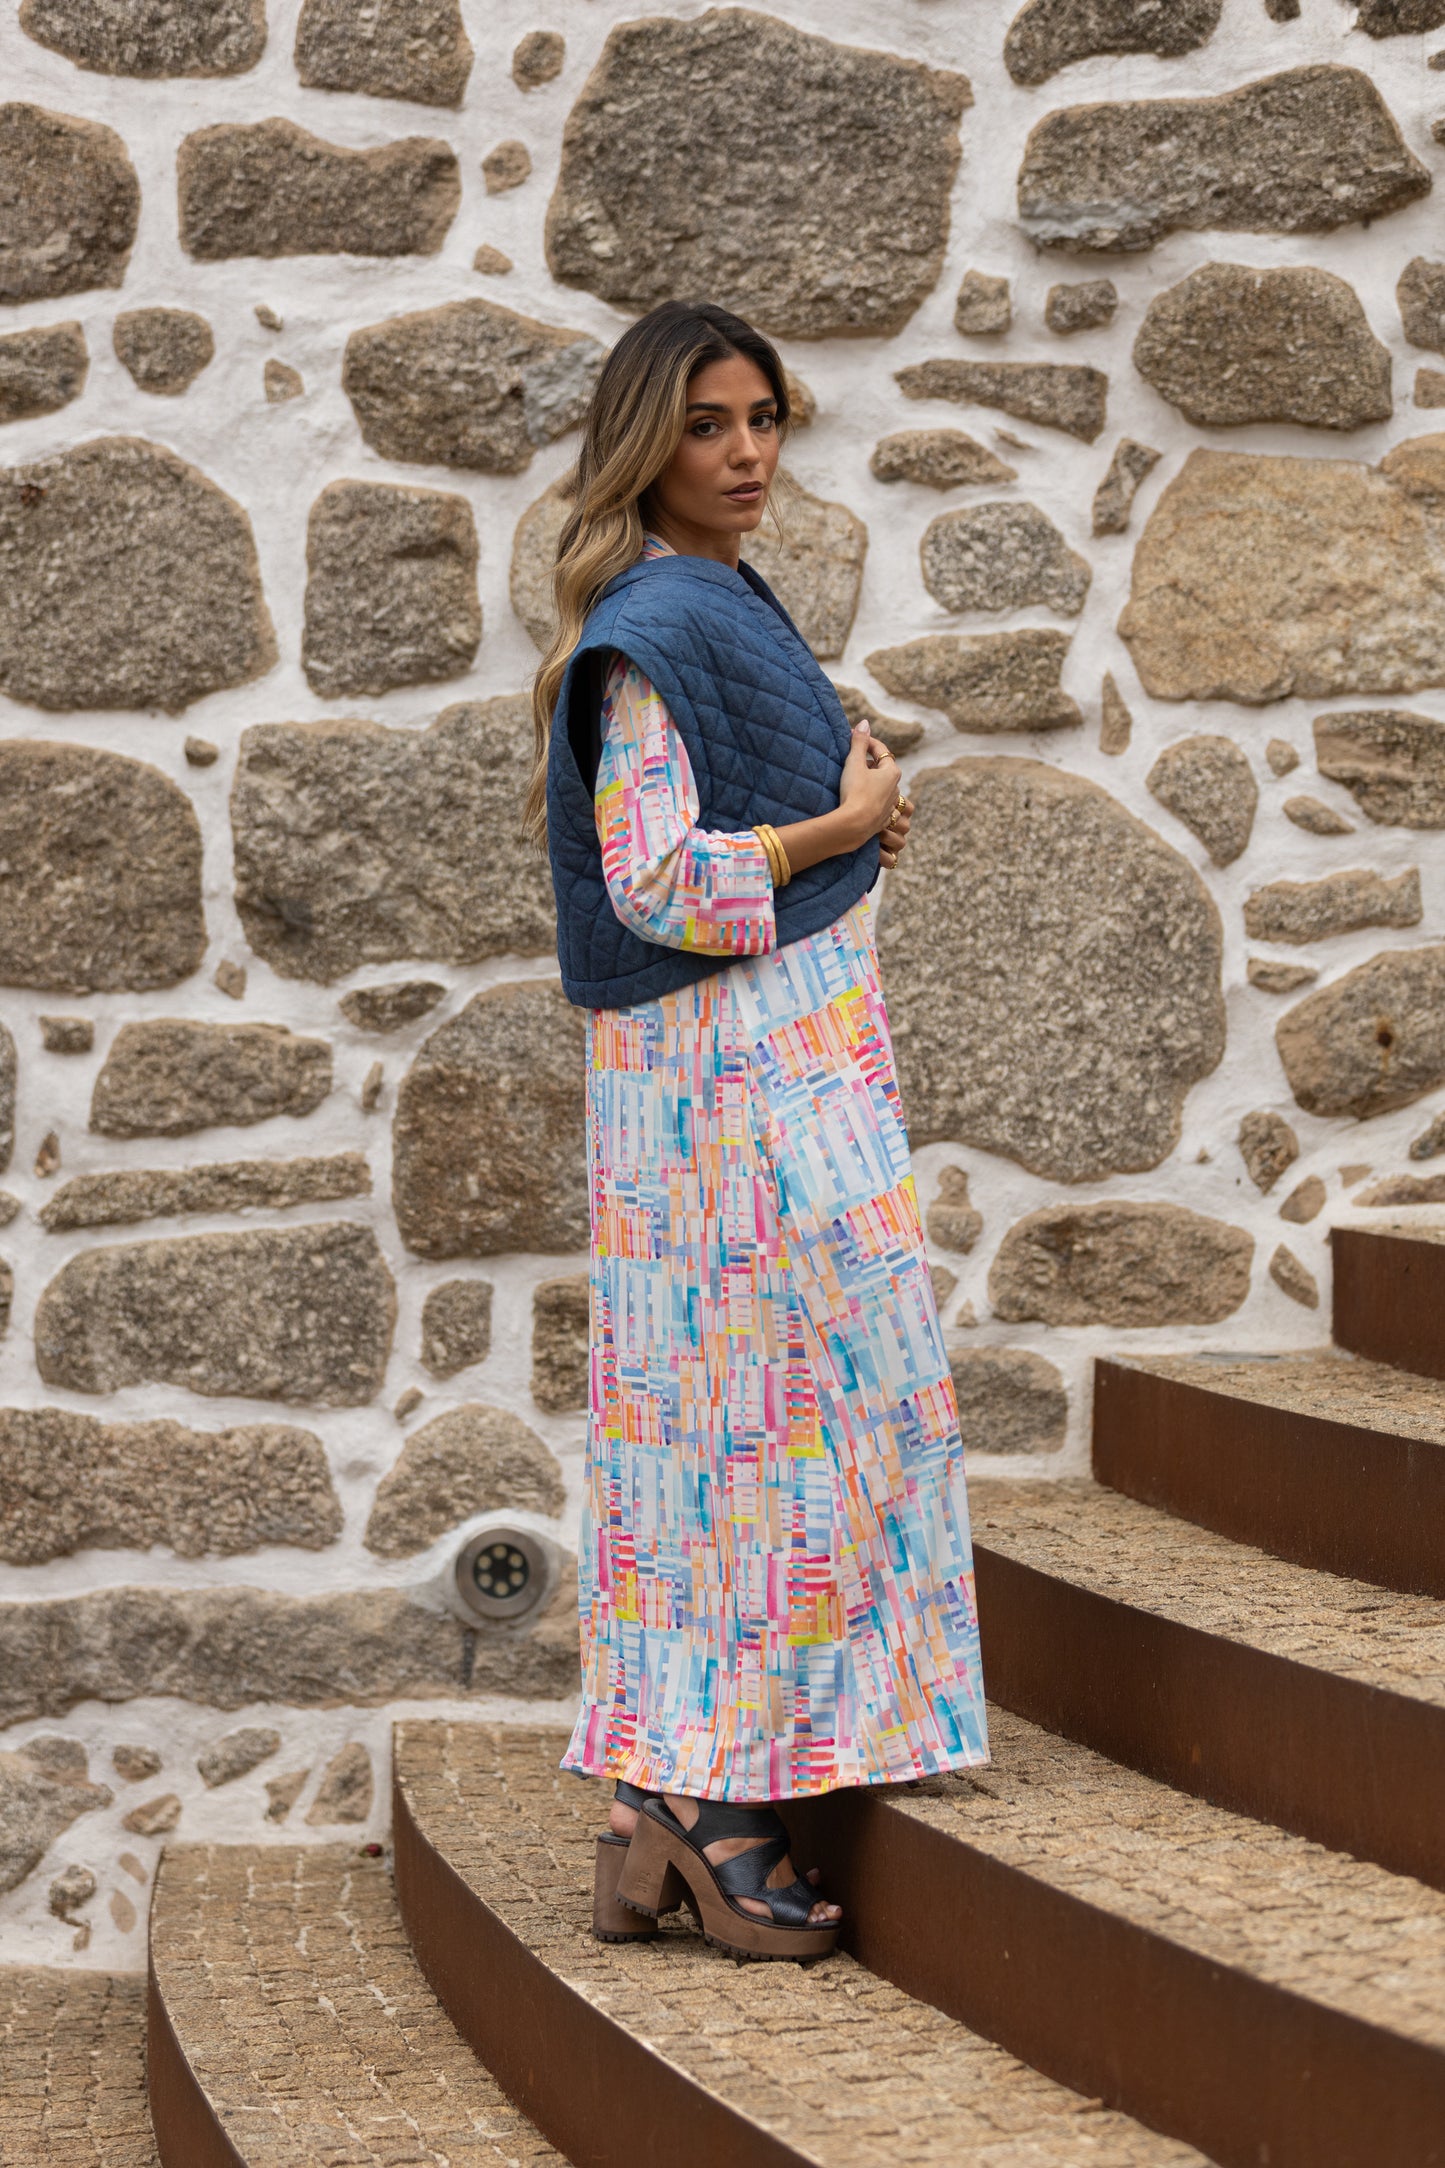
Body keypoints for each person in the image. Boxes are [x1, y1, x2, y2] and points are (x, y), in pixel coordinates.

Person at [528, 299, 988, 1963]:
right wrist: (835, 830)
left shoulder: (719, 598)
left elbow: (744, 828)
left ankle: (660, 1798)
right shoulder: (658, 621)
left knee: (760, 1423)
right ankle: (709, 1806)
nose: (744, 454)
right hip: (729, 1100)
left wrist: (846, 828)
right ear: (645, 443)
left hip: (771, 1068)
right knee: (758, 1427)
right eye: (707, 425)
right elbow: (655, 880)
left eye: (764, 419)